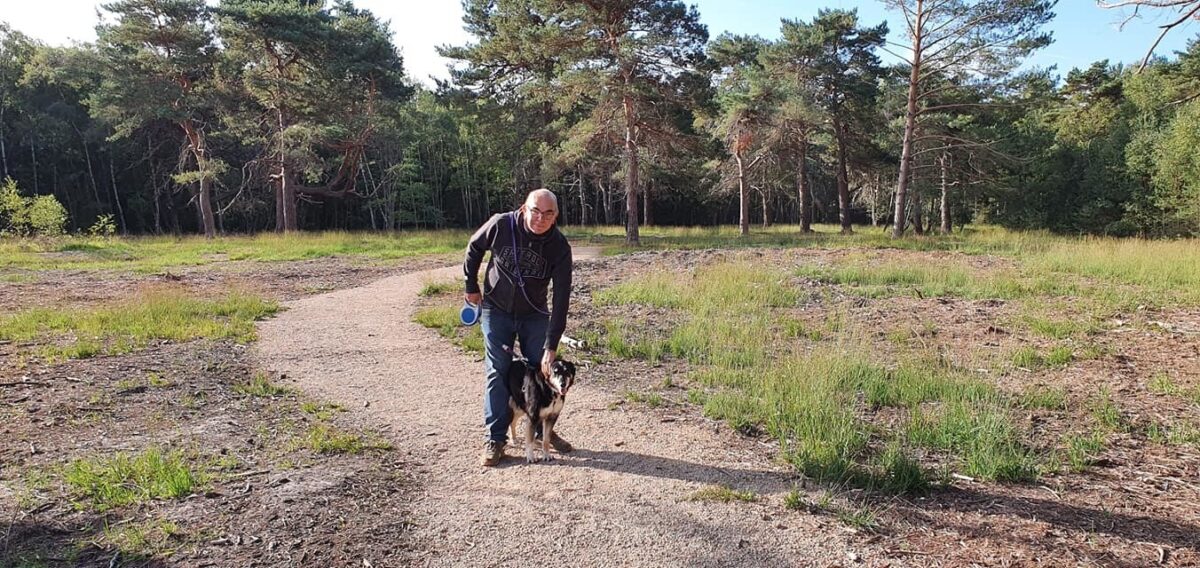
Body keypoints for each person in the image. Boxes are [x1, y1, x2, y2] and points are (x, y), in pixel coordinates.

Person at [464, 188, 574, 466]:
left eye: (548, 213)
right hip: (496, 310)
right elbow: (474, 247)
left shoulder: (559, 246)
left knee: (542, 370)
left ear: (556, 216)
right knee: (498, 370)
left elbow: (562, 298)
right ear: (524, 209)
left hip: (534, 314)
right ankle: (495, 438)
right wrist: (471, 286)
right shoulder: (501, 224)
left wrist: (552, 345)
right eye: (535, 211)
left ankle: (539, 429)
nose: (541, 218)